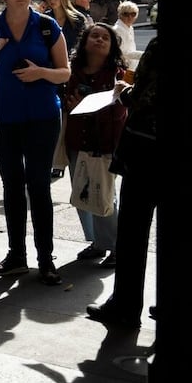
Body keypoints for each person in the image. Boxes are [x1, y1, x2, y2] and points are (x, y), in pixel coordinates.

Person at [0, 0, 70, 285]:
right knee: (11, 187)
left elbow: (65, 72)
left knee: (38, 186)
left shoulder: (47, 26)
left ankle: (46, 258)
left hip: (42, 118)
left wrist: (40, 73)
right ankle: (16, 255)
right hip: (3, 119)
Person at [86, 33, 159, 331]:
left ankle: (126, 307)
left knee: (133, 233)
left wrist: (124, 91)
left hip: (147, 151)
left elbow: (144, 97)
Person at [61, 22, 128, 266]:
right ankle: (99, 243)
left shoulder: (118, 74)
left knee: (105, 196)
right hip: (77, 140)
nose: (99, 40)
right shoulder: (74, 70)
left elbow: (121, 110)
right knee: (83, 192)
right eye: (94, 36)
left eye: (105, 38)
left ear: (111, 47)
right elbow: (68, 104)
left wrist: (89, 104)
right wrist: (75, 105)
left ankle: (117, 246)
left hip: (105, 143)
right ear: (85, 42)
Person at [41, 0, 89, 180]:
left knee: (67, 117)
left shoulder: (78, 19)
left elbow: (83, 47)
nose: (52, 1)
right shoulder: (44, 20)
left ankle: (61, 160)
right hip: (49, 72)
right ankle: (55, 160)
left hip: (72, 72)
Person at [114, 0, 141, 67]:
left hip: (131, 66)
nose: (130, 17)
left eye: (133, 14)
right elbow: (122, 53)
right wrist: (143, 55)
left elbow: (131, 49)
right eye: (126, 14)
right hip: (123, 67)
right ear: (120, 15)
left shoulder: (130, 27)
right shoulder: (118, 29)